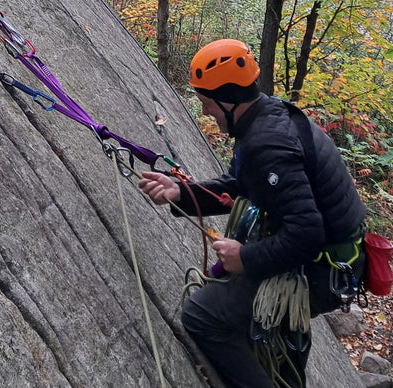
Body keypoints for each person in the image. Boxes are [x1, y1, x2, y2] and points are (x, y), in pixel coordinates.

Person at [138, 39, 367, 388]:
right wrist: (181, 192)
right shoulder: (266, 117)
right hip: (332, 261)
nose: (205, 113)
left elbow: (307, 232)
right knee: (260, 330)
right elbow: (242, 184)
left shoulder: (267, 142)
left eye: (207, 103)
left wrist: (246, 257)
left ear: (227, 100)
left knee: (202, 315)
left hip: (321, 270)